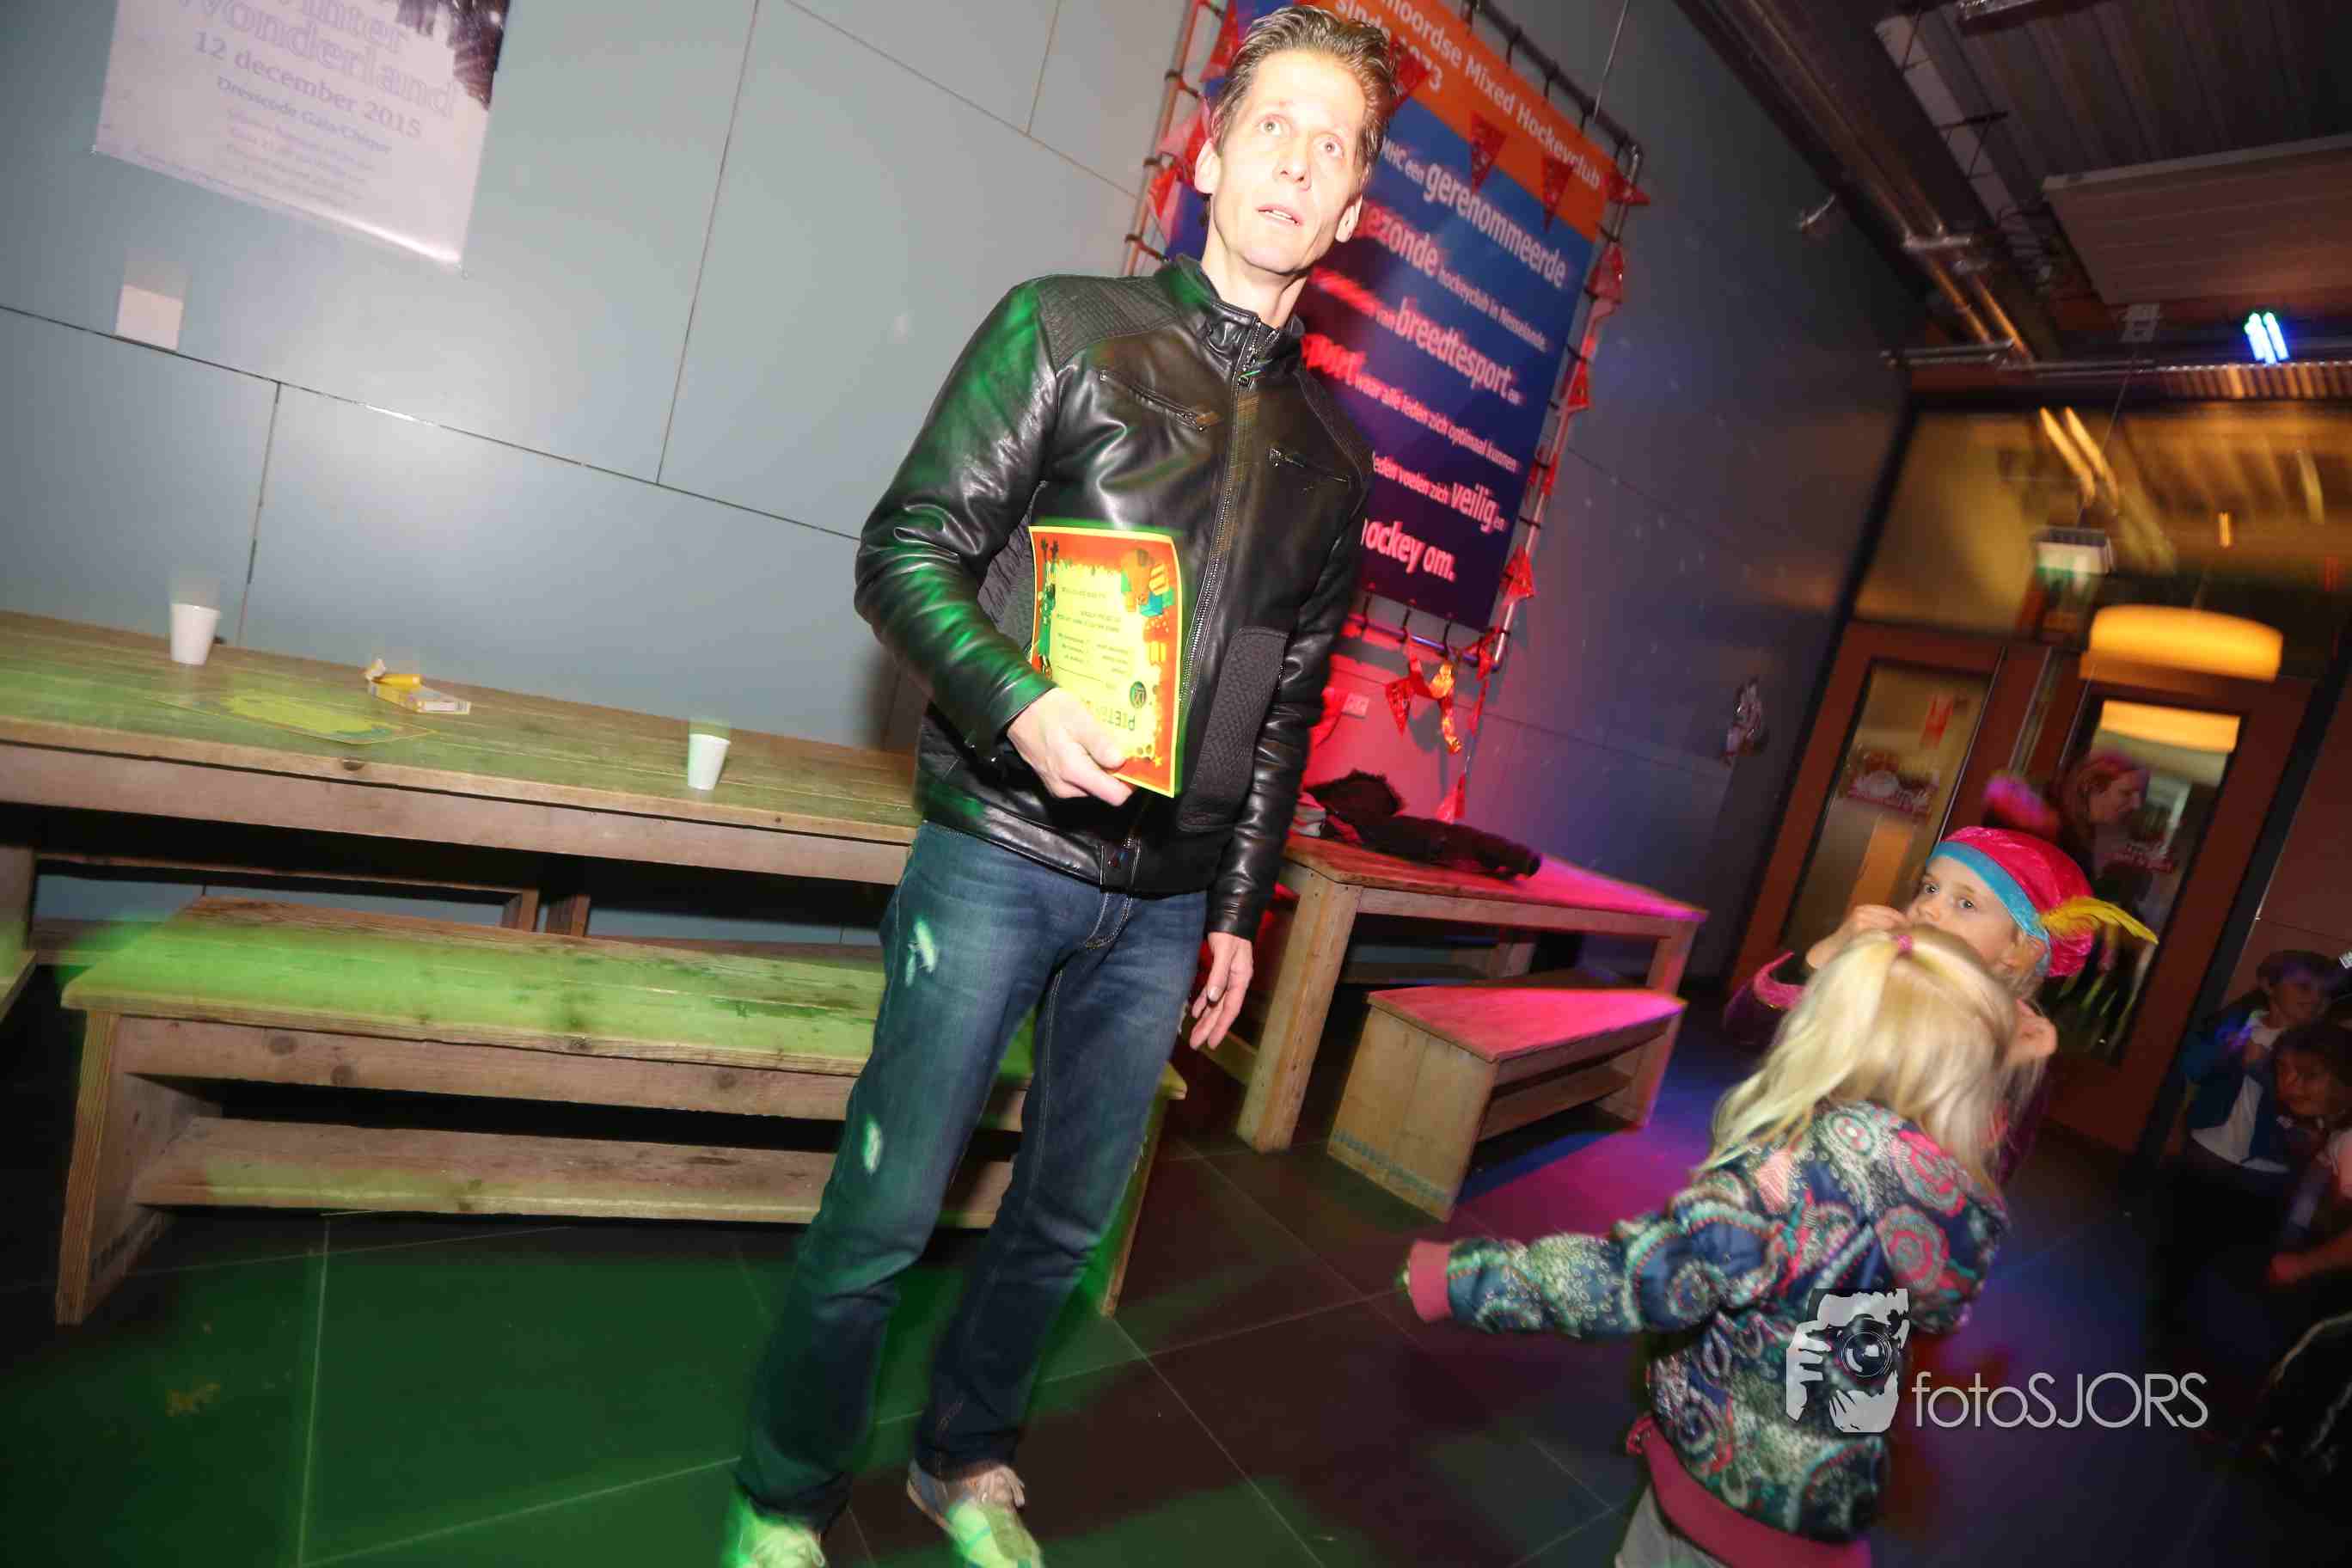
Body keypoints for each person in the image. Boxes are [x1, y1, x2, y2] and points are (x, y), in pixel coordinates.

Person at [720, 10, 1397, 1565]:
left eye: (1334, 146)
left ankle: (965, 1462)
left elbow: (1285, 709)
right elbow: (903, 550)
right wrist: (1015, 700)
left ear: (1354, 211)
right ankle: (782, 1492)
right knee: (888, 1210)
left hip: (1165, 908)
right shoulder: (1066, 328)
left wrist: (1237, 912)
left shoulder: (1337, 460)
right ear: (1209, 155)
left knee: (1062, 1224)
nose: (1297, 161)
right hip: (997, 852)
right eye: (1273, 124)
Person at [1403, 928, 2022, 1565]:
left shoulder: (1776, 1187)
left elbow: (1628, 1279)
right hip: (1824, 1503)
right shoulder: (1948, 1203)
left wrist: (1463, 1278)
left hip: (1729, 1497)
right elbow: (1936, 1310)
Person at [1725, 826, 2152, 1179]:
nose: (1928, 907)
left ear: (2021, 950)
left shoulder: (2014, 1045)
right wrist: (1829, 952)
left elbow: (1978, 1177)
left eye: (1965, 903)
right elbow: (1745, 1026)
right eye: (1929, 887)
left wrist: (2001, 1065)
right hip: (1777, 1184)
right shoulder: (1874, 981)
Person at [2146, 951, 2341, 1343]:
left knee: (2237, 1266)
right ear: (2269, 985)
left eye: (2323, 993)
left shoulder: (2321, 1052)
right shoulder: (2234, 1024)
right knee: (2179, 1251)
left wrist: (2261, 1070)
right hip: (2206, 1154)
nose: (2314, 999)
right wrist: (2233, 1051)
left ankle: (2205, 1342)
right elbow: (2192, 1068)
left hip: (2267, 1173)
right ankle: (2163, 1332)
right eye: (2303, 987)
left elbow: (2314, 1112)